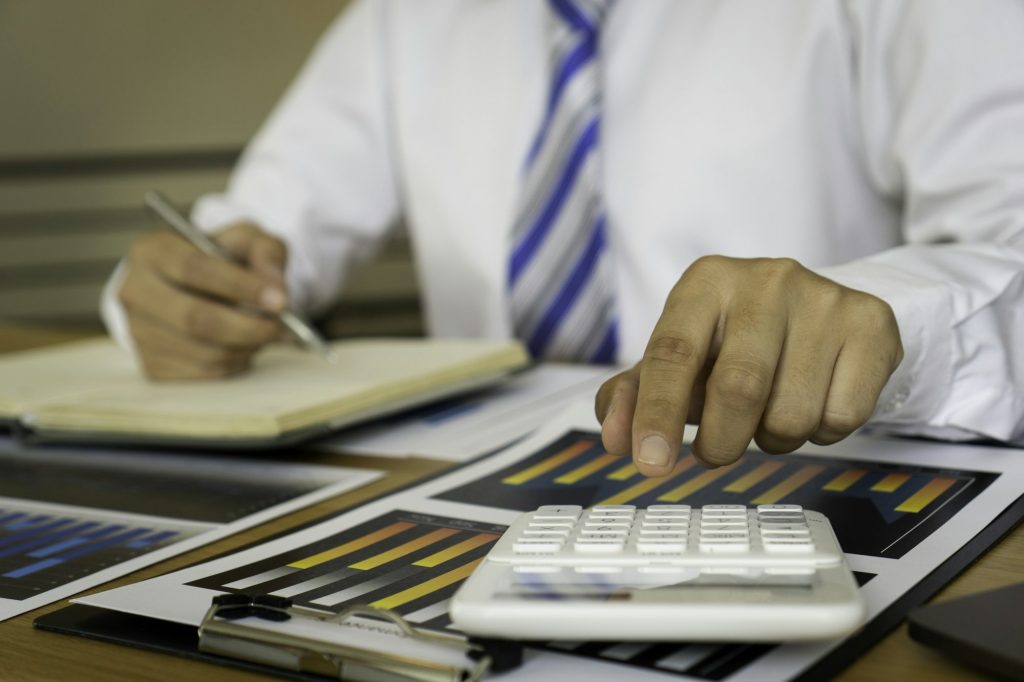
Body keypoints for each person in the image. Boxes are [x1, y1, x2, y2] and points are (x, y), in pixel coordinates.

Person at [103, 0, 1024, 477]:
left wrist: (881, 321)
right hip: (466, 506)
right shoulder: (408, 15)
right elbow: (262, 226)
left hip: (796, 490)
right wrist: (192, 288)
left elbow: (1010, 244)